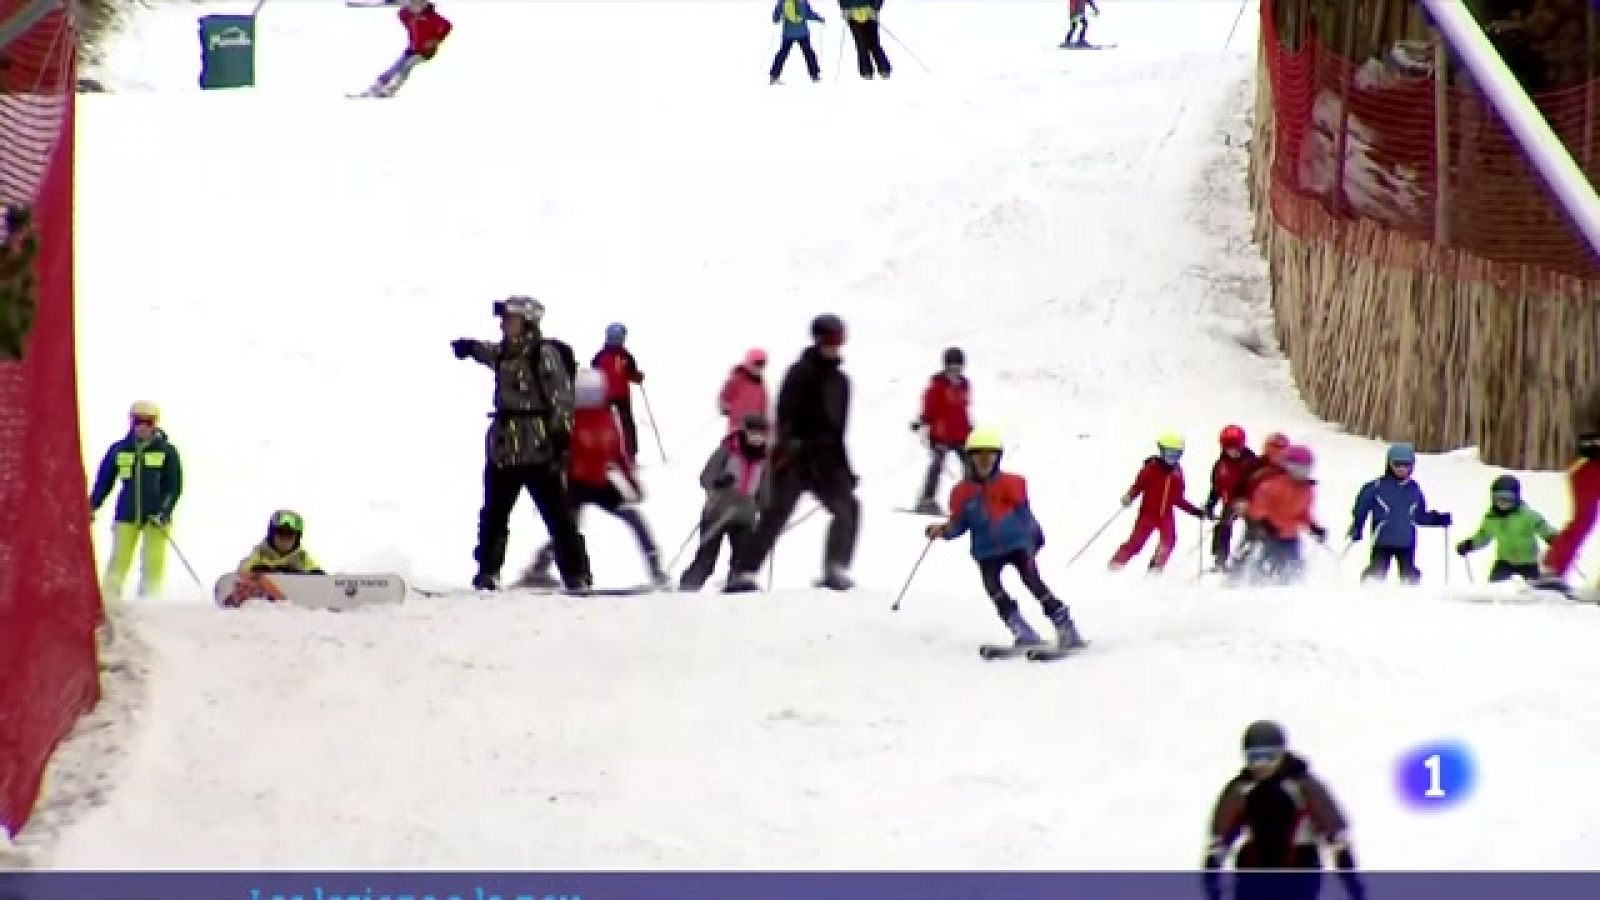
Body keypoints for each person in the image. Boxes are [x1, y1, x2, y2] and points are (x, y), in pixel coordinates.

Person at [451, 295, 592, 592]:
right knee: (494, 514)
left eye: (509, 319)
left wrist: (562, 438)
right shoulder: (507, 352)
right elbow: (490, 353)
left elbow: (561, 399)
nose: (503, 324)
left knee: (558, 516)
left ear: (527, 322)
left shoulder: (543, 353)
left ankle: (577, 576)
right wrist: (470, 348)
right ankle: (488, 572)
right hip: (504, 448)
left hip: (538, 448)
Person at [725, 313, 860, 592]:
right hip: (795, 460)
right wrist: (788, 444)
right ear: (818, 340)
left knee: (848, 508)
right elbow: (783, 415)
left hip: (825, 463)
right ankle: (743, 572)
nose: (834, 348)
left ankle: (835, 567)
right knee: (774, 516)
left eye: (838, 343)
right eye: (830, 342)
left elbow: (837, 432)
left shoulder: (841, 382)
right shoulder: (799, 372)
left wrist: (844, 469)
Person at [924, 428, 1086, 650]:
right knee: (994, 590)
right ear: (969, 458)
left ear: (997, 457)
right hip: (985, 551)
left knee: (1034, 583)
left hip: (1016, 544)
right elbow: (959, 524)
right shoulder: (961, 492)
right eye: (979, 456)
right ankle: (1022, 631)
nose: (984, 461)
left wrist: (1035, 537)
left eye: (989, 455)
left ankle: (1066, 627)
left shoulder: (1013, 483)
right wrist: (942, 531)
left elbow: (1026, 515)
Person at [522, 369, 668, 589]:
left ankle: (656, 569)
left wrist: (632, 482)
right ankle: (538, 569)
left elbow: (618, 454)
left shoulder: (607, 418)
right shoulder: (569, 419)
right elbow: (557, 453)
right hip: (575, 484)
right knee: (566, 530)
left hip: (599, 482)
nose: (591, 398)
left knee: (633, 519)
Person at [1203, 721, 1365, 900]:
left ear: (1282, 754)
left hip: (1298, 871)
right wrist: (1213, 868)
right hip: (1255, 872)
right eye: (1254, 758)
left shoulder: (1303, 786)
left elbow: (1334, 831)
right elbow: (1221, 833)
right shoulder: (1242, 789)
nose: (1261, 765)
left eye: (1269, 756)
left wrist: (1351, 879)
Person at [88, 401, 184, 600]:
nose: (142, 426)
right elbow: (104, 482)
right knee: (119, 560)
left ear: (155, 424)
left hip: (156, 518)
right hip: (126, 513)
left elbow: (173, 487)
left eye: (147, 422)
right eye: (137, 421)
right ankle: (109, 600)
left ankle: (150, 603)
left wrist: (164, 511)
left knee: (153, 563)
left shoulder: (167, 451)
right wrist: (91, 506)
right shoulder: (119, 450)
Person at [680, 412, 774, 591]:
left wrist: (767, 505)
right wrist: (719, 481)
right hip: (718, 512)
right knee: (706, 561)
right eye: (753, 434)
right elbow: (705, 477)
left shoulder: (764, 459)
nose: (757, 439)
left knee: (742, 562)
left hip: (745, 516)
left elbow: (765, 491)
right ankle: (686, 591)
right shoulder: (728, 449)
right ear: (744, 432)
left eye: (761, 435)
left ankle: (735, 597)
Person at [1348, 443, 1451, 584]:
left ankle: (1409, 595)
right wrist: (1357, 526)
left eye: (1406, 465)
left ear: (1412, 466)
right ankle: (1368, 592)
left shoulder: (1414, 489)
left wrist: (1437, 519)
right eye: (1397, 465)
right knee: (1376, 574)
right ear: (1389, 464)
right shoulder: (1376, 487)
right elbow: (1361, 508)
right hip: (1383, 540)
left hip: (1406, 542)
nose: (1402, 469)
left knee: (1409, 575)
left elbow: (1419, 516)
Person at [1109, 433, 1204, 573]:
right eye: (1169, 453)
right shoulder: (1151, 469)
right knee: (1136, 543)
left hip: (1166, 516)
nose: (1172, 458)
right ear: (1161, 451)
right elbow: (1138, 486)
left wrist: (1195, 511)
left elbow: (1178, 499)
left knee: (1169, 541)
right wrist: (1130, 496)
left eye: (1176, 454)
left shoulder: (1177, 473)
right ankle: (1115, 564)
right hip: (1147, 515)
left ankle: (1155, 569)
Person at [1536, 399, 1600, 594]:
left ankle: (1553, 568)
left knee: (1583, 520)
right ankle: (1552, 569)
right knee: (1583, 520)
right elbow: (1585, 429)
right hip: (1589, 466)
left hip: (1587, 466)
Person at [1238, 444, 1326, 584]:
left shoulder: (1307, 490)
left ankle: (1288, 592)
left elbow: (1304, 513)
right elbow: (1258, 507)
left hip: (1290, 537)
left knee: (1294, 568)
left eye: (1305, 469)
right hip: (1269, 536)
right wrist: (1265, 523)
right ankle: (1255, 588)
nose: (1301, 473)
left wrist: (1314, 527)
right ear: (1288, 466)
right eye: (1297, 469)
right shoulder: (1272, 485)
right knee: (1264, 567)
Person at [1455, 475, 1556, 583]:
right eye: (1498, 498)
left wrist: (1553, 538)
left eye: (1508, 498)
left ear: (1516, 498)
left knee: (1533, 589)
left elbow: (1544, 528)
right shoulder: (1491, 518)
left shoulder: (1527, 515)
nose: (1503, 502)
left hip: (1528, 563)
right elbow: (1483, 536)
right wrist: (1469, 544)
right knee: (1496, 586)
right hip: (1505, 562)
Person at [911, 346, 972, 516]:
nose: (955, 371)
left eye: (958, 367)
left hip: (960, 435)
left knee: (971, 467)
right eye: (952, 367)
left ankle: (971, 501)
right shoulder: (938, 386)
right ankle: (927, 499)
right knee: (936, 466)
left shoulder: (965, 386)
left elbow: (963, 410)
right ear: (946, 367)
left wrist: (969, 430)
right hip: (941, 436)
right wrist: (922, 421)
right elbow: (930, 407)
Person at [362, 0, 452, 97]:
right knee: (395, 67)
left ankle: (390, 90)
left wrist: (436, 40)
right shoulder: (407, 15)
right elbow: (401, 14)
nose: (415, 11)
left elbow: (448, 25)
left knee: (405, 67)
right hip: (411, 49)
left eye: (418, 7)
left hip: (425, 52)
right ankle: (377, 86)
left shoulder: (433, 17)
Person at [1204, 424, 1257, 572]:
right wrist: (1210, 504)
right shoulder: (1220, 465)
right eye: (1228, 447)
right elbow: (1215, 487)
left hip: (1249, 503)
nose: (1232, 451)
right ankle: (1220, 560)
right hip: (1230, 503)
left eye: (1236, 447)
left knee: (1254, 529)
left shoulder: (1251, 462)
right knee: (1222, 527)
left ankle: (1245, 558)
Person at [592, 322, 645, 463]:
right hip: (618, 395)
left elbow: (594, 373)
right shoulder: (625, 356)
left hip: (606, 395)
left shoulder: (600, 356)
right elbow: (631, 374)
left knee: (609, 425)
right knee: (625, 424)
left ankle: (613, 455)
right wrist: (637, 377)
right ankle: (629, 454)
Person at [238, 509, 325, 574]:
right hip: (266, 595)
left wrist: (315, 574)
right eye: (281, 533)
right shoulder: (261, 552)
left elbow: (315, 571)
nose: (285, 539)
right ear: (272, 535)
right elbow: (244, 567)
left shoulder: (301, 557)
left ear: (297, 539)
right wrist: (257, 569)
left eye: (290, 535)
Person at [770, 0, 824, 84]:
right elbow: (809, 14)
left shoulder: (783, 1)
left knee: (782, 53)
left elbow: (775, 18)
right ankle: (815, 75)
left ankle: (774, 76)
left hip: (788, 33)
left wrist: (777, 18)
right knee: (808, 53)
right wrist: (819, 18)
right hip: (802, 33)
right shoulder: (803, 1)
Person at [718, 348, 769, 437]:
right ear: (748, 363)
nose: (759, 368)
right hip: (737, 426)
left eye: (761, 365)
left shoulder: (761, 386)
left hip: (753, 429)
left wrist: (764, 427)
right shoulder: (737, 379)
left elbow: (763, 408)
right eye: (756, 364)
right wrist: (724, 407)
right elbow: (723, 396)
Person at [838, 0, 891, 80]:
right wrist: (845, 8)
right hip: (853, 14)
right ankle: (866, 71)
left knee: (874, 42)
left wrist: (875, 8)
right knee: (860, 43)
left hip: (870, 12)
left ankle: (884, 69)